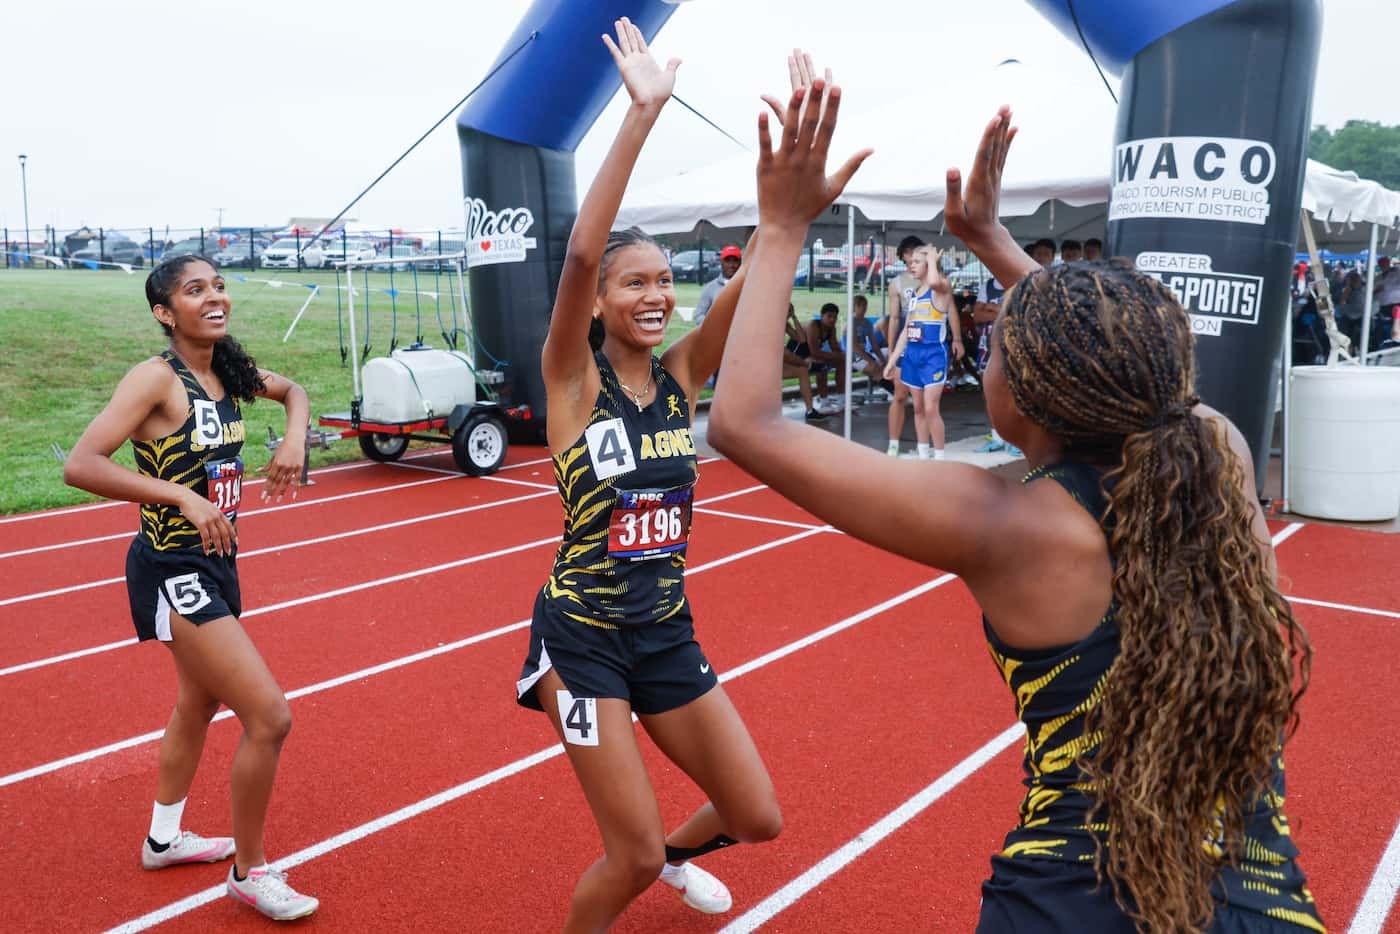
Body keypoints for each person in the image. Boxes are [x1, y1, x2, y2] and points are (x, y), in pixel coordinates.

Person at [707, 71, 1322, 934]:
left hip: (1073, 901)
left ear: (1025, 396)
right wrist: (993, 239)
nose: (985, 362)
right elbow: (1125, 360)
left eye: (998, 352)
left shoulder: (1008, 523)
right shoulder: (1216, 446)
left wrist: (780, 226)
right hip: (1264, 904)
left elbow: (743, 423)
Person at [516, 21, 781, 932]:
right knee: (620, 854)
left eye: (665, 281)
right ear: (598, 300)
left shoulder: (680, 377)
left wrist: (781, 213)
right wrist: (640, 116)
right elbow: (582, 252)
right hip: (583, 640)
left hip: (664, 631)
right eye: (635, 283)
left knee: (757, 817)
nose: (655, 295)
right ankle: (640, 868)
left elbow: (746, 285)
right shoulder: (569, 380)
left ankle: (670, 860)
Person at [62, 254, 319, 921]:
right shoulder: (155, 380)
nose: (216, 298)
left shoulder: (228, 371)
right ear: (163, 312)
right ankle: (250, 870)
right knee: (269, 716)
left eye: (220, 286)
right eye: (194, 290)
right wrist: (180, 495)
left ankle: (162, 839)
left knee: (197, 707)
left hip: (217, 566)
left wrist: (294, 442)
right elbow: (81, 464)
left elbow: (295, 393)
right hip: (173, 570)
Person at [882, 246, 963, 460]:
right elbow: (907, 331)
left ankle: (940, 456)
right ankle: (923, 453)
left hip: (933, 355)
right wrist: (892, 360)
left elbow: (935, 282)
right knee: (917, 407)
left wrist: (934, 260)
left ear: (931, 264)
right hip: (912, 355)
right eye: (911, 261)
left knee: (930, 408)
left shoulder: (941, 286)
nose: (911, 265)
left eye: (917, 261)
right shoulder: (915, 294)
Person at [883, 235, 926, 455]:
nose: (911, 257)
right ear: (902, 256)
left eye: (915, 252)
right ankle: (893, 443)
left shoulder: (932, 278)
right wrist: (891, 353)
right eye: (907, 253)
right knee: (900, 395)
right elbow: (894, 319)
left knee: (923, 399)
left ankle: (924, 445)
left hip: (928, 344)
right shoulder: (897, 283)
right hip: (905, 342)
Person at [784, 303, 828, 420]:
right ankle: (807, 365)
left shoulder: (784, 324)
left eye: (790, 311)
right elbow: (785, 353)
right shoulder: (771, 323)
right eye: (787, 311)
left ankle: (810, 411)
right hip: (763, 362)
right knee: (798, 362)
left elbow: (802, 339)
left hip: (776, 363)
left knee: (802, 371)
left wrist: (794, 317)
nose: (788, 313)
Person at [805, 301, 848, 406]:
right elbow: (815, 353)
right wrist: (837, 355)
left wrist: (842, 356)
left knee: (842, 362)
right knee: (821, 364)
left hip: (813, 356)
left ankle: (841, 399)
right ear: (821, 316)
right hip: (798, 355)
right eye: (829, 316)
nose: (832, 319)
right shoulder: (813, 326)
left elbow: (835, 348)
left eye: (835, 317)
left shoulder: (831, 328)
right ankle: (824, 401)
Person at [693, 243, 742, 325]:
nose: (731, 265)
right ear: (721, 262)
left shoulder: (748, 286)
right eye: (727, 261)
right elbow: (698, 316)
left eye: (735, 260)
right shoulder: (710, 288)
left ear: (740, 263)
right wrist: (715, 325)